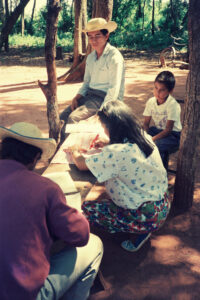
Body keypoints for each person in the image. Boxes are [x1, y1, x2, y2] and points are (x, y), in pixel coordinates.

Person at [0, 122, 103, 300]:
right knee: (94, 244)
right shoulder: (45, 188)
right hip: (22, 293)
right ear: (35, 158)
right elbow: (80, 236)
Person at [72, 101, 171, 252]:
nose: (104, 131)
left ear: (111, 127)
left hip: (144, 216)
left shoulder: (117, 152)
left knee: (85, 210)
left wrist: (74, 150)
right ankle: (141, 227)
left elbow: (80, 164)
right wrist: (107, 143)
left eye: (104, 128)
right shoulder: (143, 136)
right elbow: (127, 156)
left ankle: (139, 228)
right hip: (162, 204)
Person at [60, 17, 125, 142]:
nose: (93, 40)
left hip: (104, 98)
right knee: (62, 117)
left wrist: (101, 113)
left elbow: (114, 90)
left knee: (73, 118)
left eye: (98, 35)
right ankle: (58, 151)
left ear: (106, 36)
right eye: (90, 36)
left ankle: (72, 156)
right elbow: (86, 83)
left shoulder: (114, 57)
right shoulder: (90, 57)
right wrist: (77, 97)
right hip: (89, 96)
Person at [143, 71, 182, 169]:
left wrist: (151, 139)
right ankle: (146, 169)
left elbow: (168, 130)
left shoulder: (173, 105)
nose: (157, 92)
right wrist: (144, 135)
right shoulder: (151, 102)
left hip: (173, 135)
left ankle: (161, 172)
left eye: (162, 90)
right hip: (157, 130)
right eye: (156, 88)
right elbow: (146, 124)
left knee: (156, 145)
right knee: (137, 137)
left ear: (170, 91)